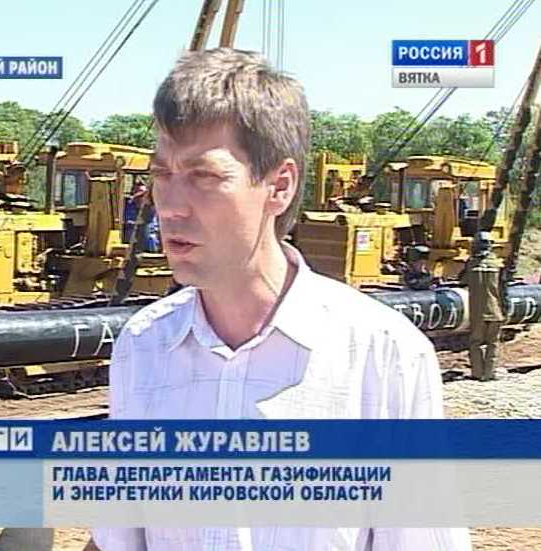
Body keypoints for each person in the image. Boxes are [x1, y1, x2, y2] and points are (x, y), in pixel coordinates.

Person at [92, 48, 471, 551]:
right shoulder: (143, 347)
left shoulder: (383, 356)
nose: (172, 207)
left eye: (205, 177)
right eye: (162, 176)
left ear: (279, 186)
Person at [460, 231, 505, 381]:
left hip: (478, 312)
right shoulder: (498, 264)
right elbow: (504, 289)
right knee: (493, 343)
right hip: (495, 310)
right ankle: (489, 373)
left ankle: (477, 373)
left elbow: (462, 280)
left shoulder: (471, 264)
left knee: (475, 343)